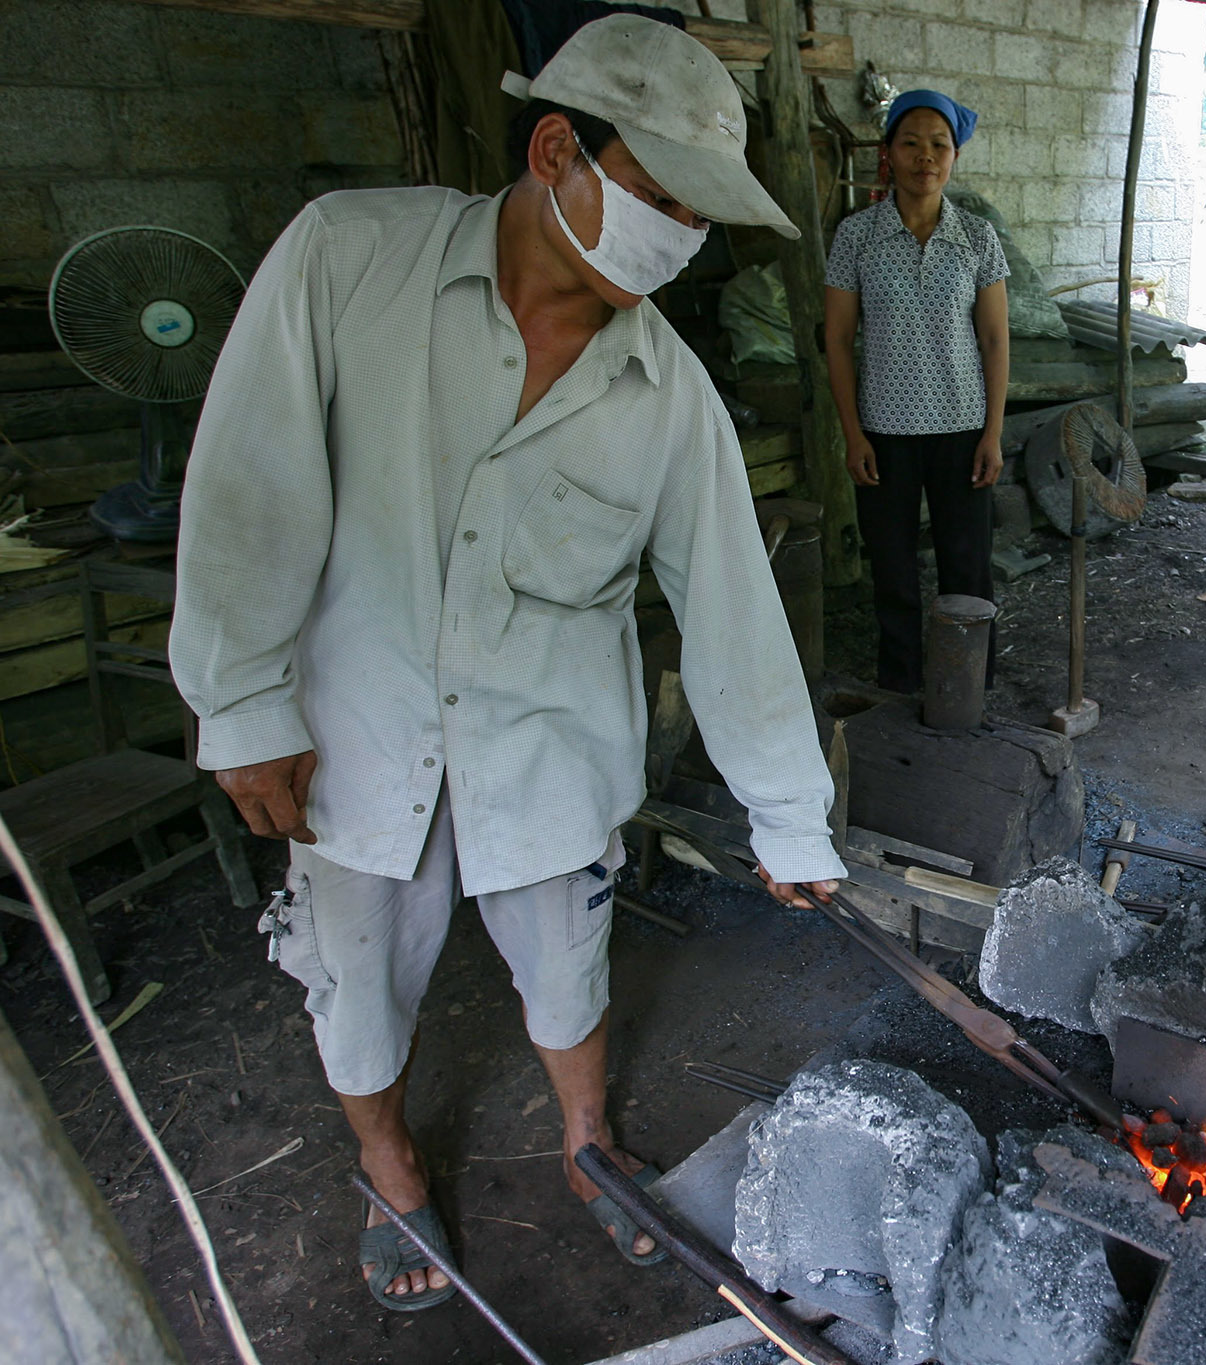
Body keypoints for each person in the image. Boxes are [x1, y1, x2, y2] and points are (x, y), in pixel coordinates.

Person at [169, 15, 845, 1312]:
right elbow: (246, 482)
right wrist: (241, 696)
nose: (682, 242)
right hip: (357, 736)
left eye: (703, 220)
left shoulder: (669, 396)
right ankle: (390, 1167)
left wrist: (791, 816)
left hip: (547, 752)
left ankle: (590, 1149)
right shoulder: (348, 261)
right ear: (556, 150)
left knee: (568, 970)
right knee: (355, 983)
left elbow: (733, 615)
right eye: (664, 198)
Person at [823, 89, 1010, 694]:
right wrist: (853, 435)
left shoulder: (978, 239)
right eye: (911, 143)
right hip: (885, 432)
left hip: (961, 429)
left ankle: (969, 684)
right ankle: (900, 686)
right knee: (895, 572)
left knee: (967, 569)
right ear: (888, 154)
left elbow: (995, 342)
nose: (925, 157)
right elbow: (839, 339)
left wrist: (993, 433)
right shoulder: (856, 237)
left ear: (954, 156)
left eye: (939, 145)